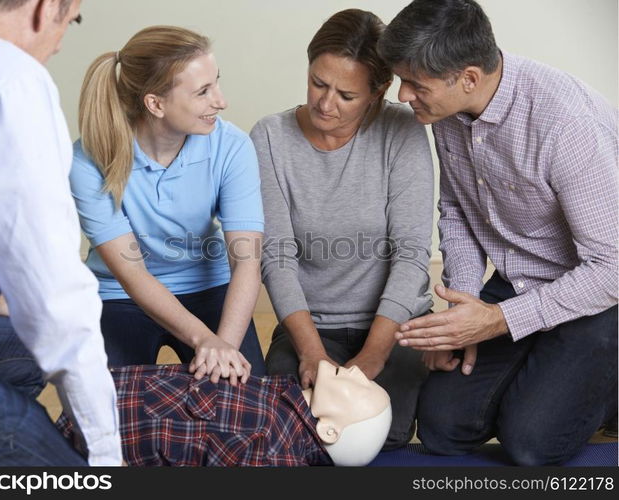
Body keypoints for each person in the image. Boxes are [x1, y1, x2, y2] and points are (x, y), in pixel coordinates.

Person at [379, 0, 618, 465]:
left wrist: (497, 322)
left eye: (415, 84)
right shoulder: (445, 108)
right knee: (442, 430)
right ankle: (549, 373)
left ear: (468, 77)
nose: (404, 96)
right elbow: (457, 209)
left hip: (599, 293)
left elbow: (612, 269)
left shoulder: (567, 125)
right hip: (517, 284)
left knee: (531, 445)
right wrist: (463, 308)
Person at [0, 0, 122, 465]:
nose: (59, 44)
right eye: (71, 22)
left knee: (22, 349)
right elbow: (57, 301)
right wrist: (107, 456)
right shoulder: (4, 78)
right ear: (47, 7)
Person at [250, 8, 433, 449]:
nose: (325, 104)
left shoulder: (401, 129)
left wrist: (374, 355)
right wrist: (312, 352)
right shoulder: (269, 137)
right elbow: (276, 257)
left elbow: (411, 254)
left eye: (346, 95)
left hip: (396, 326)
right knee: (294, 431)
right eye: (318, 83)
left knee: (379, 436)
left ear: (377, 91)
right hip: (312, 326)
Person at [71, 25, 265, 382]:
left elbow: (247, 265)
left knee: (244, 396)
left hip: (209, 287)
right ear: (155, 103)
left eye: (216, 83)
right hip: (120, 295)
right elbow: (133, 274)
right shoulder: (88, 161)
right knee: (106, 408)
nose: (221, 101)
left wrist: (224, 347)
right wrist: (203, 338)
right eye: (203, 92)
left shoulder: (233, 147)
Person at [57, 360, 392, 466]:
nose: (359, 373)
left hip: (89, 432)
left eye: (362, 388)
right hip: (99, 391)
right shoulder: (283, 398)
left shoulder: (271, 449)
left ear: (330, 431)